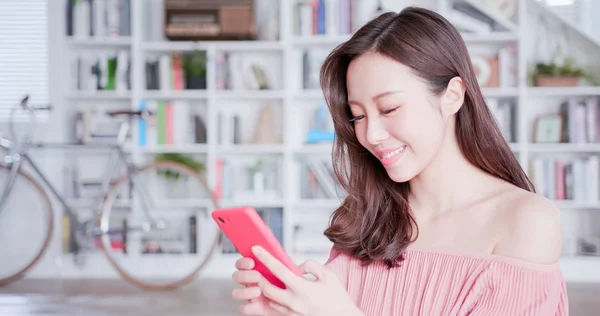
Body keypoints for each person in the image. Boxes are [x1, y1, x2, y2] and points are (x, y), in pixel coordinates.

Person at [230, 6, 569, 316]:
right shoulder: (367, 214)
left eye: (389, 108)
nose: (371, 134)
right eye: (358, 116)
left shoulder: (525, 222)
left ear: (452, 96)